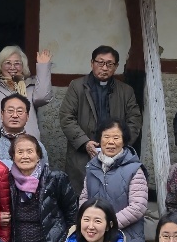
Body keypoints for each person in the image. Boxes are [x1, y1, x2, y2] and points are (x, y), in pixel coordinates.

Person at [57, 45, 142, 193]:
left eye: (110, 64)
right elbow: (66, 117)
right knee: (82, 196)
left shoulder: (125, 91)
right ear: (92, 63)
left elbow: (134, 120)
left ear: (115, 67)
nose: (104, 68)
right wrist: (84, 142)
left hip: (116, 152)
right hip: (83, 152)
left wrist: (120, 142)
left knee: (115, 196)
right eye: (100, 62)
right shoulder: (77, 86)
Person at [80, 121, 148, 242]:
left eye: (116, 137)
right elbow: (84, 199)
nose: (111, 142)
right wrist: (90, 222)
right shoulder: (91, 168)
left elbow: (138, 207)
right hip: (95, 239)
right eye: (106, 137)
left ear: (124, 141)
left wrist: (108, 224)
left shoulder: (134, 169)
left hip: (127, 241)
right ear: (99, 140)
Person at [0, 44, 52, 135]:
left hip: (27, 140)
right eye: (8, 63)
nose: (12, 67)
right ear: (0, 66)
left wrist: (43, 66)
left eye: (17, 63)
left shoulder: (30, 86)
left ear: (23, 66)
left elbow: (43, 97)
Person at [0, 94, 47, 169]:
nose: (14, 115)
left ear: (27, 116)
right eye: (10, 111)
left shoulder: (37, 145)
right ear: (2, 114)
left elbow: (44, 175)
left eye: (20, 111)